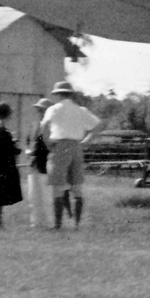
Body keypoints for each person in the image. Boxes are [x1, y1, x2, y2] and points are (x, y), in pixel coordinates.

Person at [40, 81, 101, 229]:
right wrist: (86, 141)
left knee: (58, 186)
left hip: (60, 145)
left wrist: (49, 144)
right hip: (76, 146)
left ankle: (58, 224)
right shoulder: (81, 110)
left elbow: (43, 128)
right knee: (77, 186)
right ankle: (77, 224)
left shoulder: (53, 109)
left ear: (59, 94)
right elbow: (98, 125)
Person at [27, 98, 51, 228]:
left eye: (42, 109)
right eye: (39, 109)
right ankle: (35, 223)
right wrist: (28, 151)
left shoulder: (52, 127)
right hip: (34, 164)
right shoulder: (34, 125)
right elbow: (28, 141)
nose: (40, 112)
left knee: (46, 196)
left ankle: (48, 223)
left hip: (46, 164)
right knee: (33, 196)